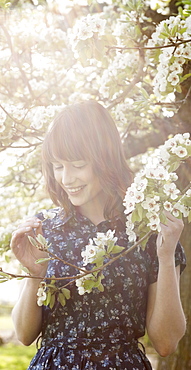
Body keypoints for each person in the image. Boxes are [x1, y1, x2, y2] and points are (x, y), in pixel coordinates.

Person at [10, 100, 186, 369]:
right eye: (58, 166)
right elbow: (24, 335)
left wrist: (165, 256)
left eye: (78, 164)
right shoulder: (46, 228)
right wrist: (35, 274)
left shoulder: (147, 230)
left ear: (105, 159)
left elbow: (165, 343)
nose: (66, 178)